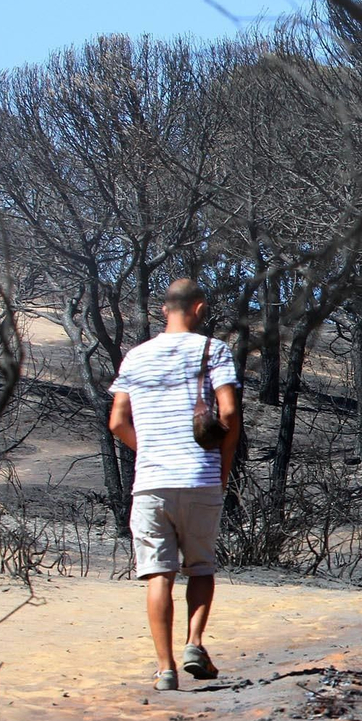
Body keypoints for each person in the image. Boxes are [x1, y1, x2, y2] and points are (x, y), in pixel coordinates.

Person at [109, 279, 241, 691]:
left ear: (164, 310)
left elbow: (117, 422)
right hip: (199, 477)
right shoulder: (213, 350)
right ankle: (194, 644)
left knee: (158, 574)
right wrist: (222, 467)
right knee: (200, 566)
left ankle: (165, 669)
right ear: (199, 308)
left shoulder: (135, 357)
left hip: (152, 481)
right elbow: (229, 412)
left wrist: (149, 448)